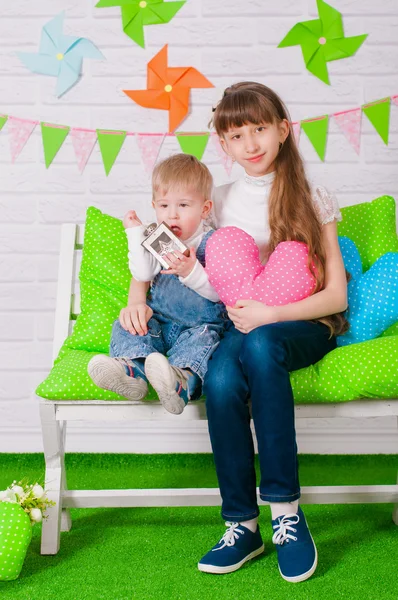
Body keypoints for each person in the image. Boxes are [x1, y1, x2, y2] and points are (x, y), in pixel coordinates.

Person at [196, 82, 348, 582]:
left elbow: (336, 298)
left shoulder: (312, 197)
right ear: (223, 144)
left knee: (260, 343)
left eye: (260, 129)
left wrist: (269, 315)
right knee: (219, 379)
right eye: (237, 135)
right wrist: (137, 297)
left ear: (284, 130)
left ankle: (285, 512)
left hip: (304, 323)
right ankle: (242, 524)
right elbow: (183, 261)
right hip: (244, 324)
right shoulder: (215, 202)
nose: (251, 144)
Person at [87, 153, 228, 415]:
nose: (172, 215)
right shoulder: (158, 239)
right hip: (160, 324)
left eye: (184, 205)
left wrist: (192, 271)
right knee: (129, 323)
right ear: (154, 205)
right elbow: (142, 272)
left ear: (205, 208)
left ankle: (180, 381)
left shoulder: (214, 241)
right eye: (164, 206)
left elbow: (220, 293)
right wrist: (134, 234)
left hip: (197, 327)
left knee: (204, 341)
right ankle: (132, 371)